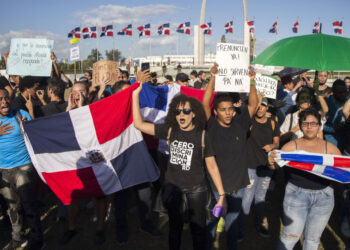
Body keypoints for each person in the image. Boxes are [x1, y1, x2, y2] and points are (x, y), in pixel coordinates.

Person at [132, 70, 227, 250]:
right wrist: (136, 92)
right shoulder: (169, 131)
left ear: (194, 114)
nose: (181, 114)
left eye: (186, 111)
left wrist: (222, 196)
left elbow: (212, 166)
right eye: (177, 111)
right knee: (174, 229)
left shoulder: (202, 135)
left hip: (197, 190)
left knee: (198, 230)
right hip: (173, 188)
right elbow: (139, 124)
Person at [268, 108, 341, 250]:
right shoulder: (291, 146)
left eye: (313, 123)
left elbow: (342, 171)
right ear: (301, 126)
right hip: (296, 195)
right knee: (290, 237)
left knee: (313, 240)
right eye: (306, 123)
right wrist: (271, 161)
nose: (309, 127)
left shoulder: (330, 148)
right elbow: (274, 166)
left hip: (324, 198)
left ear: (319, 126)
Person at [203, 64, 258, 250]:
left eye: (230, 109)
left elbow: (253, 104)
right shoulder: (210, 126)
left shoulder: (240, 125)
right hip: (214, 187)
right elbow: (204, 104)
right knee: (210, 225)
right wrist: (212, 78)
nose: (227, 112)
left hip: (236, 188)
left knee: (232, 227)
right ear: (216, 111)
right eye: (223, 109)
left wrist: (252, 82)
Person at [61, 82, 108, 245]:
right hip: (75, 157)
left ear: (87, 94)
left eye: (81, 92)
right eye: (74, 92)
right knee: (73, 194)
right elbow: (62, 131)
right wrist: (69, 110)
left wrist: (81, 108)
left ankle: (100, 228)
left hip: (94, 154)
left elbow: (92, 131)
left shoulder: (94, 108)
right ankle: (71, 228)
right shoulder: (67, 110)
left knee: (99, 193)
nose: (77, 95)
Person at [0, 89, 44, 249]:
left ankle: (37, 239)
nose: (4, 102)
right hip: (3, 170)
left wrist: (28, 127)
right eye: (0, 99)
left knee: (29, 205)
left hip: (24, 167)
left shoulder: (21, 114)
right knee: (12, 207)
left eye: (6, 98)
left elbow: (37, 136)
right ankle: (18, 237)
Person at [238, 97, 280, 239]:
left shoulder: (273, 122)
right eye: (258, 105)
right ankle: (241, 228)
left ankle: (258, 224)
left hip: (266, 166)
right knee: (247, 197)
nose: (261, 108)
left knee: (261, 197)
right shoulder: (249, 122)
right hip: (250, 165)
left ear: (267, 108)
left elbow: (277, 142)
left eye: (263, 106)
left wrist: (272, 146)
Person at [323, 79, 349, 152]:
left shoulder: (348, 102)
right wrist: (334, 128)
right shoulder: (325, 104)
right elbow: (320, 124)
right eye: (340, 92)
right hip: (331, 141)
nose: (343, 94)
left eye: (345, 91)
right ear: (333, 91)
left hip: (346, 141)